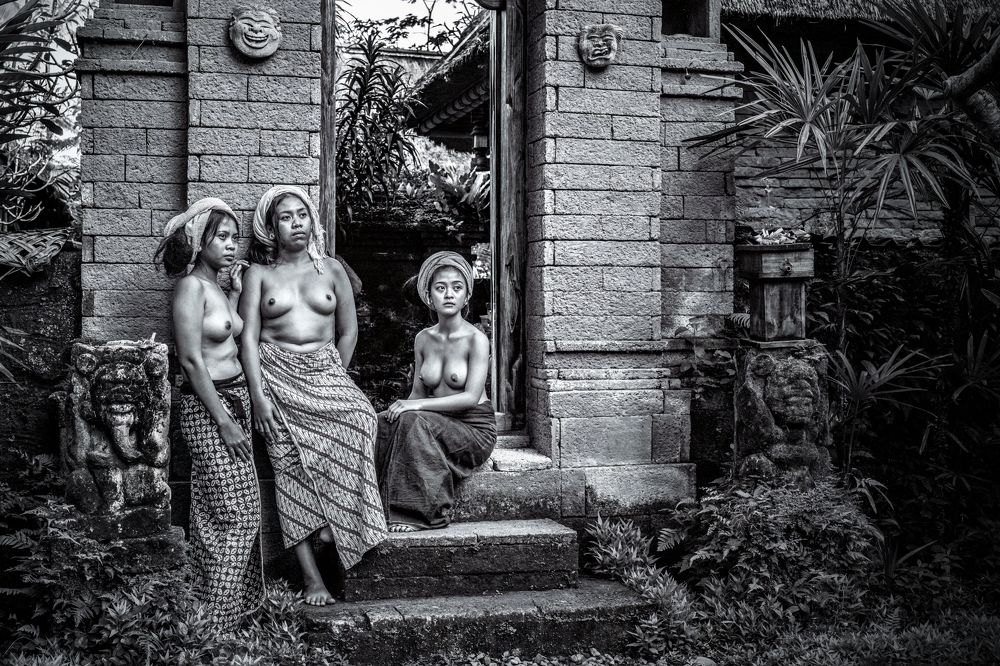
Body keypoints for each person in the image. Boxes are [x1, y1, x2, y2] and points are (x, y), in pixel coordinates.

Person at [239, 185, 386, 606]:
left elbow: (348, 329)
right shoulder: (259, 275)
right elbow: (247, 339)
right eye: (286, 217)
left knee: (362, 417)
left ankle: (334, 523)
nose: (297, 222)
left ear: (312, 220)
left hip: (325, 370)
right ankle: (312, 578)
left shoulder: (332, 270)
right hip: (277, 377)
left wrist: (334, 372)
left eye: (302, 214)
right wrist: (259, 397)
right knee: (289, 468)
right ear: (272, 227)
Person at [154, 197, 263, 630]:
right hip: (208, 408)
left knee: (221, 508)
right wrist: (223, 419)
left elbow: (228, 335)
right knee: (233, 511)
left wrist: (235, 293)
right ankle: (215, 621)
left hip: (234, 399)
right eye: (222, 237)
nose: (232, 245)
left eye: (235, 238)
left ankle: (220, 613)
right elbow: (190, 359)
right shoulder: (189, 288)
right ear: (201, 241)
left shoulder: (217, 287)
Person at [375, 251, 497, 532]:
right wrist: (398, 409)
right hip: (436, 425)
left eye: (457, 287)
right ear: (429, 297)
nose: (449, 294)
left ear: (467, 296)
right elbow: (417, 393)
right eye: (441, 288)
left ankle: (425, 514)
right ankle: (370, 509)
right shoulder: (423, 339)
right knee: (378, 423)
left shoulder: (476, 340)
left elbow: (469, 397)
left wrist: (413, 407)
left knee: (414, 419)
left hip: (473, 431)